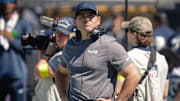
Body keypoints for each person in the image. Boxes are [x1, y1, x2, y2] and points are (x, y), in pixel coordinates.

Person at [55, 1, 140, 101]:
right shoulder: (70, 45)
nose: (86, 19)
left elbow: (134, 74)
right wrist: (63, 97)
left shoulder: (108, 44)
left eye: (90, 16)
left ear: (98, 20)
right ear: (75, 22)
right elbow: (60, 73)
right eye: (82, 16)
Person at [122, 16, 169, 101]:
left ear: (134, 35)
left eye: (127, 31)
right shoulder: (162, 59)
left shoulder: (128, 58)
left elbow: (119, 89)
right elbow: (165, 93)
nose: (126, 33)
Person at [32, 17, 76, 101]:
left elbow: (38, 72)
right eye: (57, 32)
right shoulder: (61, 53)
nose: (58, 37)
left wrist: (47, 54)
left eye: (63, 34)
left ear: (71, 36)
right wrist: (42, 50)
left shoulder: (64, 55)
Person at [0, 0, 32, 101]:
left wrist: (11, 39)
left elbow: (30, 49)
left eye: (11, 1)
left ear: (15, 4)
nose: (7, 4)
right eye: (4, 0)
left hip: (17, 77)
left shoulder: (23, 23)